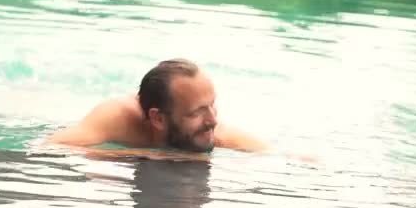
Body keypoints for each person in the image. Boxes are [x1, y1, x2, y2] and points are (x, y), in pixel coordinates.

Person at [47, 58, 269, 160]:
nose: (212, 120)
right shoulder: (117, 117)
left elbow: (271, 154)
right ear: (158, 119)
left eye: (212, 105)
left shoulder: (213, 131)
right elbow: (52, 146)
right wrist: (150, 154)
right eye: (196, 112)